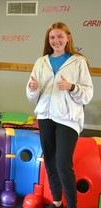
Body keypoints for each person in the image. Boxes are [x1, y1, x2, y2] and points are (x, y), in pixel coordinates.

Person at [26, 22, 93, 208]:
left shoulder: (78, 61)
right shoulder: (41, 62)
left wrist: (71, 87)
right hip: (45, 117)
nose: (56, 41)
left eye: (60, 36)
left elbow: (88, 94)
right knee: (50, 161)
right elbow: (32, 97)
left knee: (63, 164)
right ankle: (57, 202)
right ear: (48, 40)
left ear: (68, 38)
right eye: (52, 37)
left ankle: (72, 205)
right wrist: (32, 89)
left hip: (68, 119)